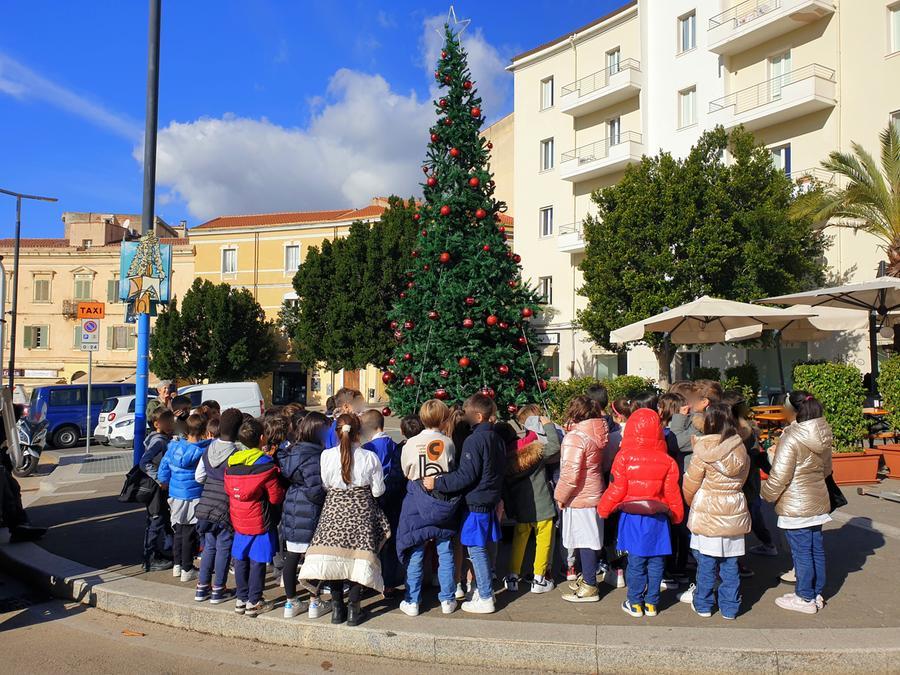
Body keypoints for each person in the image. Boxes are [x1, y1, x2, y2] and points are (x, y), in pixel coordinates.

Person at [299, 414, 389, 626]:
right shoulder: (369, 457)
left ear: (337, 433)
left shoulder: (326, 456)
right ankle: (354, 610)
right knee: (358, 559)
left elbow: (326, 484)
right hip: (361, 511)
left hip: (334, 510)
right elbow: (378, 491)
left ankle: (337, 608)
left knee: (335, 559)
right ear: (359, 433)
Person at [597, 408, 684, 617]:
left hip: (633, 517)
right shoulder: (668, 461)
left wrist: (604, 508)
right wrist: (677, 515)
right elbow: (672, 493)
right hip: (659, 519)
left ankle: (635, 602)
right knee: (656, 562)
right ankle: (652, 604)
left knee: (636, 562)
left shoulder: (624, 458)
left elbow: (616, 488)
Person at [424, 394, 505, 614]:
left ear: (478, 415)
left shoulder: (474, 440)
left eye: (469, 414)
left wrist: (437, 482)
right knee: (483, 549)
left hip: (476, 502)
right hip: (489, 499)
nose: (465, 417)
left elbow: (465, 476)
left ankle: (486, 595)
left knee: (476, 550)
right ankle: (480, 589)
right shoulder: (496, 438)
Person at [761, 391, 833, 614]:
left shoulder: (791, 436)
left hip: (796, 502)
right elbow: (827, 469)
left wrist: (766, 493)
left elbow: (780, 474)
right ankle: (815, 593)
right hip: (817, 498)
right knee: (815, 549)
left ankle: (805, 597)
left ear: (793, 411)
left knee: (801, 552)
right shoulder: (823, 432)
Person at [681, 403, 751, 620]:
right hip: (734, 509)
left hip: (708, 508)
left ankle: (703, 604)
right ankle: (730, 607)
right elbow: (743, 479)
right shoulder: (741, 449)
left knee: (706, 563)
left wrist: (695, 503)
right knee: (730, 563)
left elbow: (690, 485)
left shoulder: (702, 451)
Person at [396, 399, 460, 616]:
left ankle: (412, 600)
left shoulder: (410, 444)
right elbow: (451, 468)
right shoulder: (448, 443)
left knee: (416, 550)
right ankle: (448, 599)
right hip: (442, 499)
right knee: (446, 551)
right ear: (443, 418)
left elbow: (406, 470)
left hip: (416, 499)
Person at [225, 417, 285, 617]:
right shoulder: (266, 466)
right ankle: (254, 601)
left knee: (240, 558)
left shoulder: (232, 463)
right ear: (262, 438)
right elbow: (275, 497)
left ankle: (241, 599)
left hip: (239, 518)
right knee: (257, 561)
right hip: (260, 518)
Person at [554, 395, 609, 603]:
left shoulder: (575, 437)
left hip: (579, 496)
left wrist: (560, 496)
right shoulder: (598, 432)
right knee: (590, 539)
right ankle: (588, 579)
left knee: (584, 540)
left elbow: (570, 473)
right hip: (594, 492)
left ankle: (589, 584)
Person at [276, 411, 330, 619]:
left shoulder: (293, 452)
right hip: (310, 511)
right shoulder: (314, 455)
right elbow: (315, 489)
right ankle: (314, 600)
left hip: (292, 507)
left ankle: (291, 602)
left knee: (292, 556)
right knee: (312, 559)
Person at [499, 413, 560, 594]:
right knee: (543, 542)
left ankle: (512, 576)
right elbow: (555, 445)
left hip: (521, 510)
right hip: (543, 507)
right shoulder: (536, 454)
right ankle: (539, 579)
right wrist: (547, 424)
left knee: (519, 543)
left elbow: (506, 492)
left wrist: (511, 511)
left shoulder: (505, 464)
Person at [194, 409, 243, 604]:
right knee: (224, 547)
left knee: (209, 548)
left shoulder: (208, 449)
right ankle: (218, 589)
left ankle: (201, 588)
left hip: (205, 505)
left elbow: (199, 476)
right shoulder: (236, 454)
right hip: (224, 507)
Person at [157, 413, 211, 582]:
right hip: (193, 494)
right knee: (189, 532)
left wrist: (164, 480)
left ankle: (178, 565)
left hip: (175, 493)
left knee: (179, 530)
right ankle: (187, 568)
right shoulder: (203, 450)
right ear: (204, 431)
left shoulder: (173, 447)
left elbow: (164, 467)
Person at [139, 407, 176, 571]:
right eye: (166, 422)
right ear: (156, 424)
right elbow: (144, 462)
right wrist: (160, 479)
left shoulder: (162, 438)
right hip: (155, 488)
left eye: (171, 421)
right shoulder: (159, 441)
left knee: (162, 518)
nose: (170, 424)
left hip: (159, 487)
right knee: (156, 519)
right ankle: (149, 559)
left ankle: (163, 551)